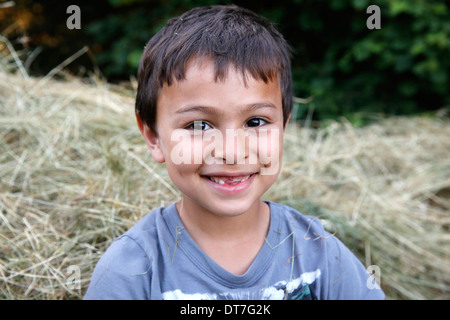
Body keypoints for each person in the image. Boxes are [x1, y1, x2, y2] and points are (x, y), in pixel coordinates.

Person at [84, 5, 384, 300]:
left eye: (256, 122)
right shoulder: (131, 270)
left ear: (283, 127)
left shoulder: (317, 251)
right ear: (153, 137)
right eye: (199, 125)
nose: (231, 152)